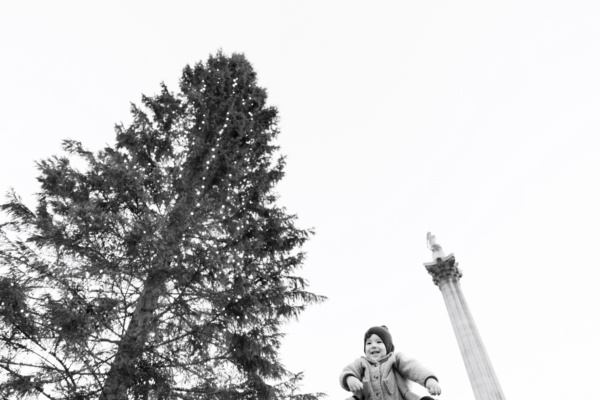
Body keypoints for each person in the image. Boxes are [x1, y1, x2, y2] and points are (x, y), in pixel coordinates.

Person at [339, 326, 442, 400]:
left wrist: (429, 379)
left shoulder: (394, 358)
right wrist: (350, 378)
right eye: (368, 343)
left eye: (379, 342)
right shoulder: (362, 362)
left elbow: (412, 367)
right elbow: (349, 370)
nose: (373, 345)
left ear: (387, 347)